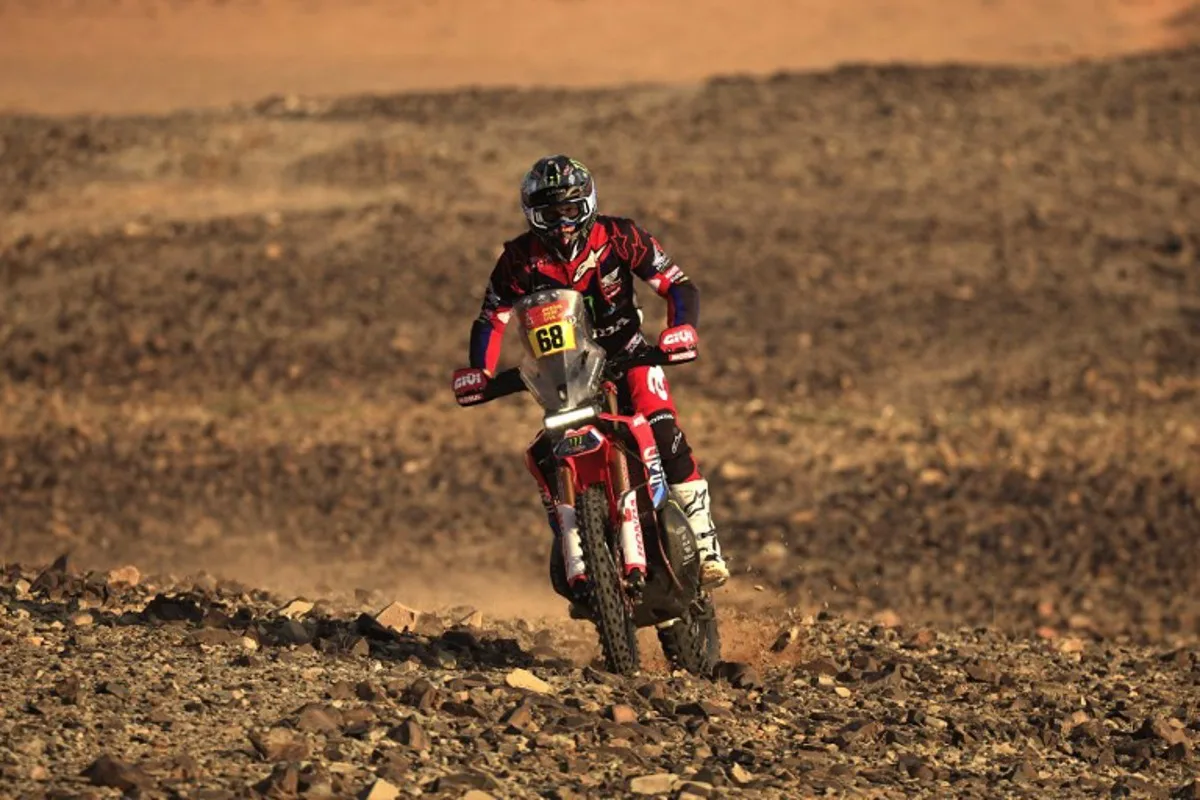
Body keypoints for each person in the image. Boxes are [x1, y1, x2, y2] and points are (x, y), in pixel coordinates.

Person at [451, 154, 730, 590]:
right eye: (549, 214)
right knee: (547, 450)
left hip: (628, 354)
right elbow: (493, 318)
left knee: (663, 430)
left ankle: (705, 544)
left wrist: (681, 330)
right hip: (565, 375)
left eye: (571, 211)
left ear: (589, 204)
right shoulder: (518, 261)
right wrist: (480, 372)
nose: (562, 224)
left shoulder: (621, 236)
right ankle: (576, 547)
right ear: (532, 216)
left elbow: (677, 284)